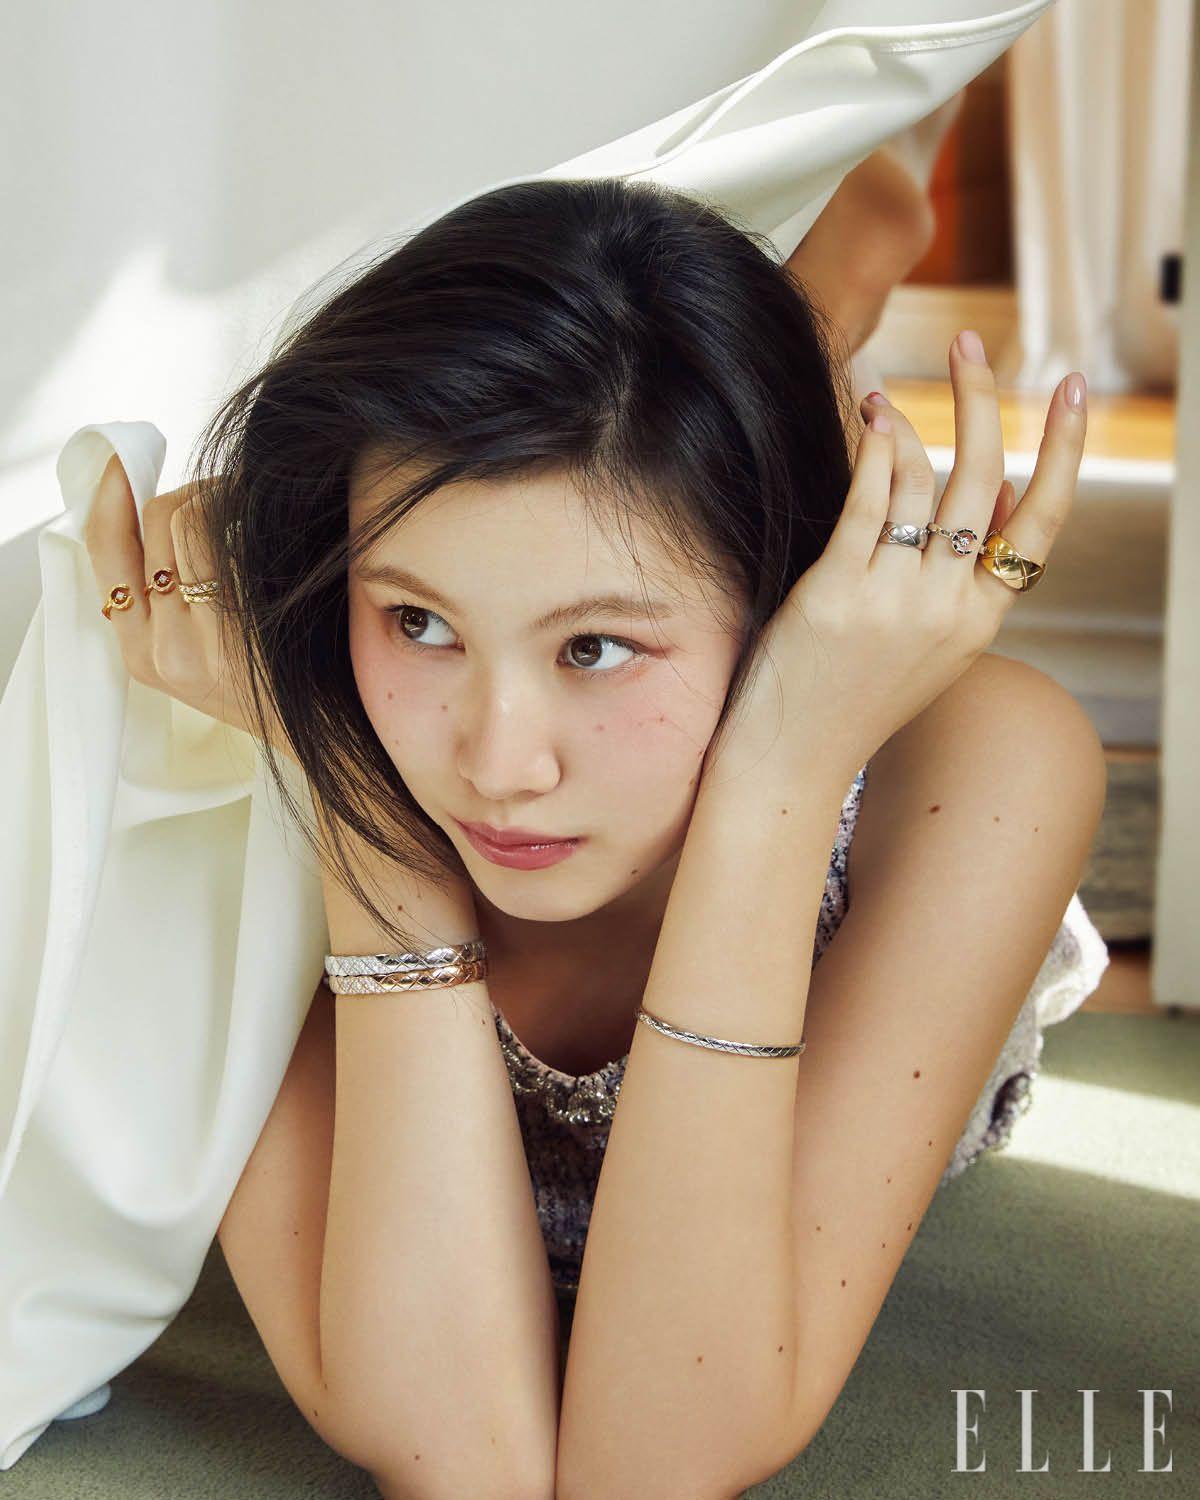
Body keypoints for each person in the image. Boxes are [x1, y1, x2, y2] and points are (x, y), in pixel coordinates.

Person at [81, 174, 1106, 1496]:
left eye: (597, 647)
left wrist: (780, 776)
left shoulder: (977, 765)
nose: (498, 768)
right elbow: (465, 1459)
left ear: (782, 614)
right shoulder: (246, 743)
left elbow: (657, 1465)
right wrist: (371, 834)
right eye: (418, 622)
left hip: (815, 734)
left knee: (689, 445)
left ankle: (834, 285)